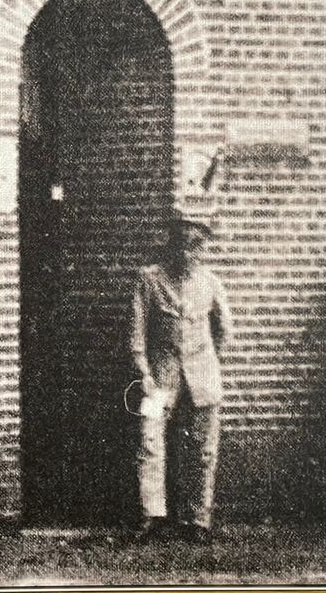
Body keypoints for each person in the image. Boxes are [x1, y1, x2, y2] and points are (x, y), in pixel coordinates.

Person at [129, 209, 231, 544]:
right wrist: (145, 373)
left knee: (203, 447)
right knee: (149, 440)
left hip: (203, 376)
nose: (188, 254)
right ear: (171, 245)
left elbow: (224, 330)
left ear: (203, 250)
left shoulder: (211, 282)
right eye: (182, 245)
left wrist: (208, 362)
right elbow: (137, 335)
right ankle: (152, 515)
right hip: (160, 376)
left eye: (195, 246)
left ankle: (198, 519)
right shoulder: (149, 279)